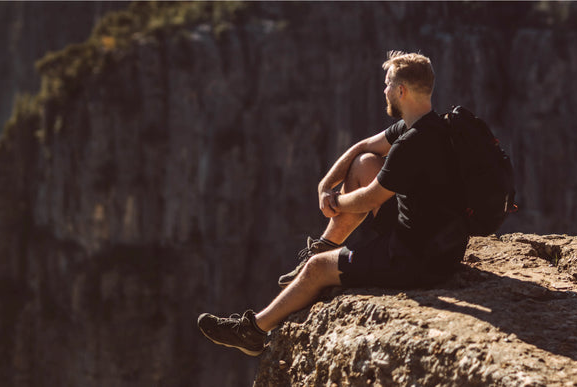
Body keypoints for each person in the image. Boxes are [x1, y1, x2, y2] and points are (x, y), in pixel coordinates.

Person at [197, 51, 470, 356]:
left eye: (387, 84)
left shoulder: (413, 143)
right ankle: (327, 244)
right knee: (366, 163)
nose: (384, 90)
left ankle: (253, 331)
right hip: (441, 241)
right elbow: (363, 147)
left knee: (317, 270)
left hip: (418, 258)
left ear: (401, 91)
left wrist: (336, 201)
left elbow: (370, 198)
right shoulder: (429, 125)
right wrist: (325, 185)